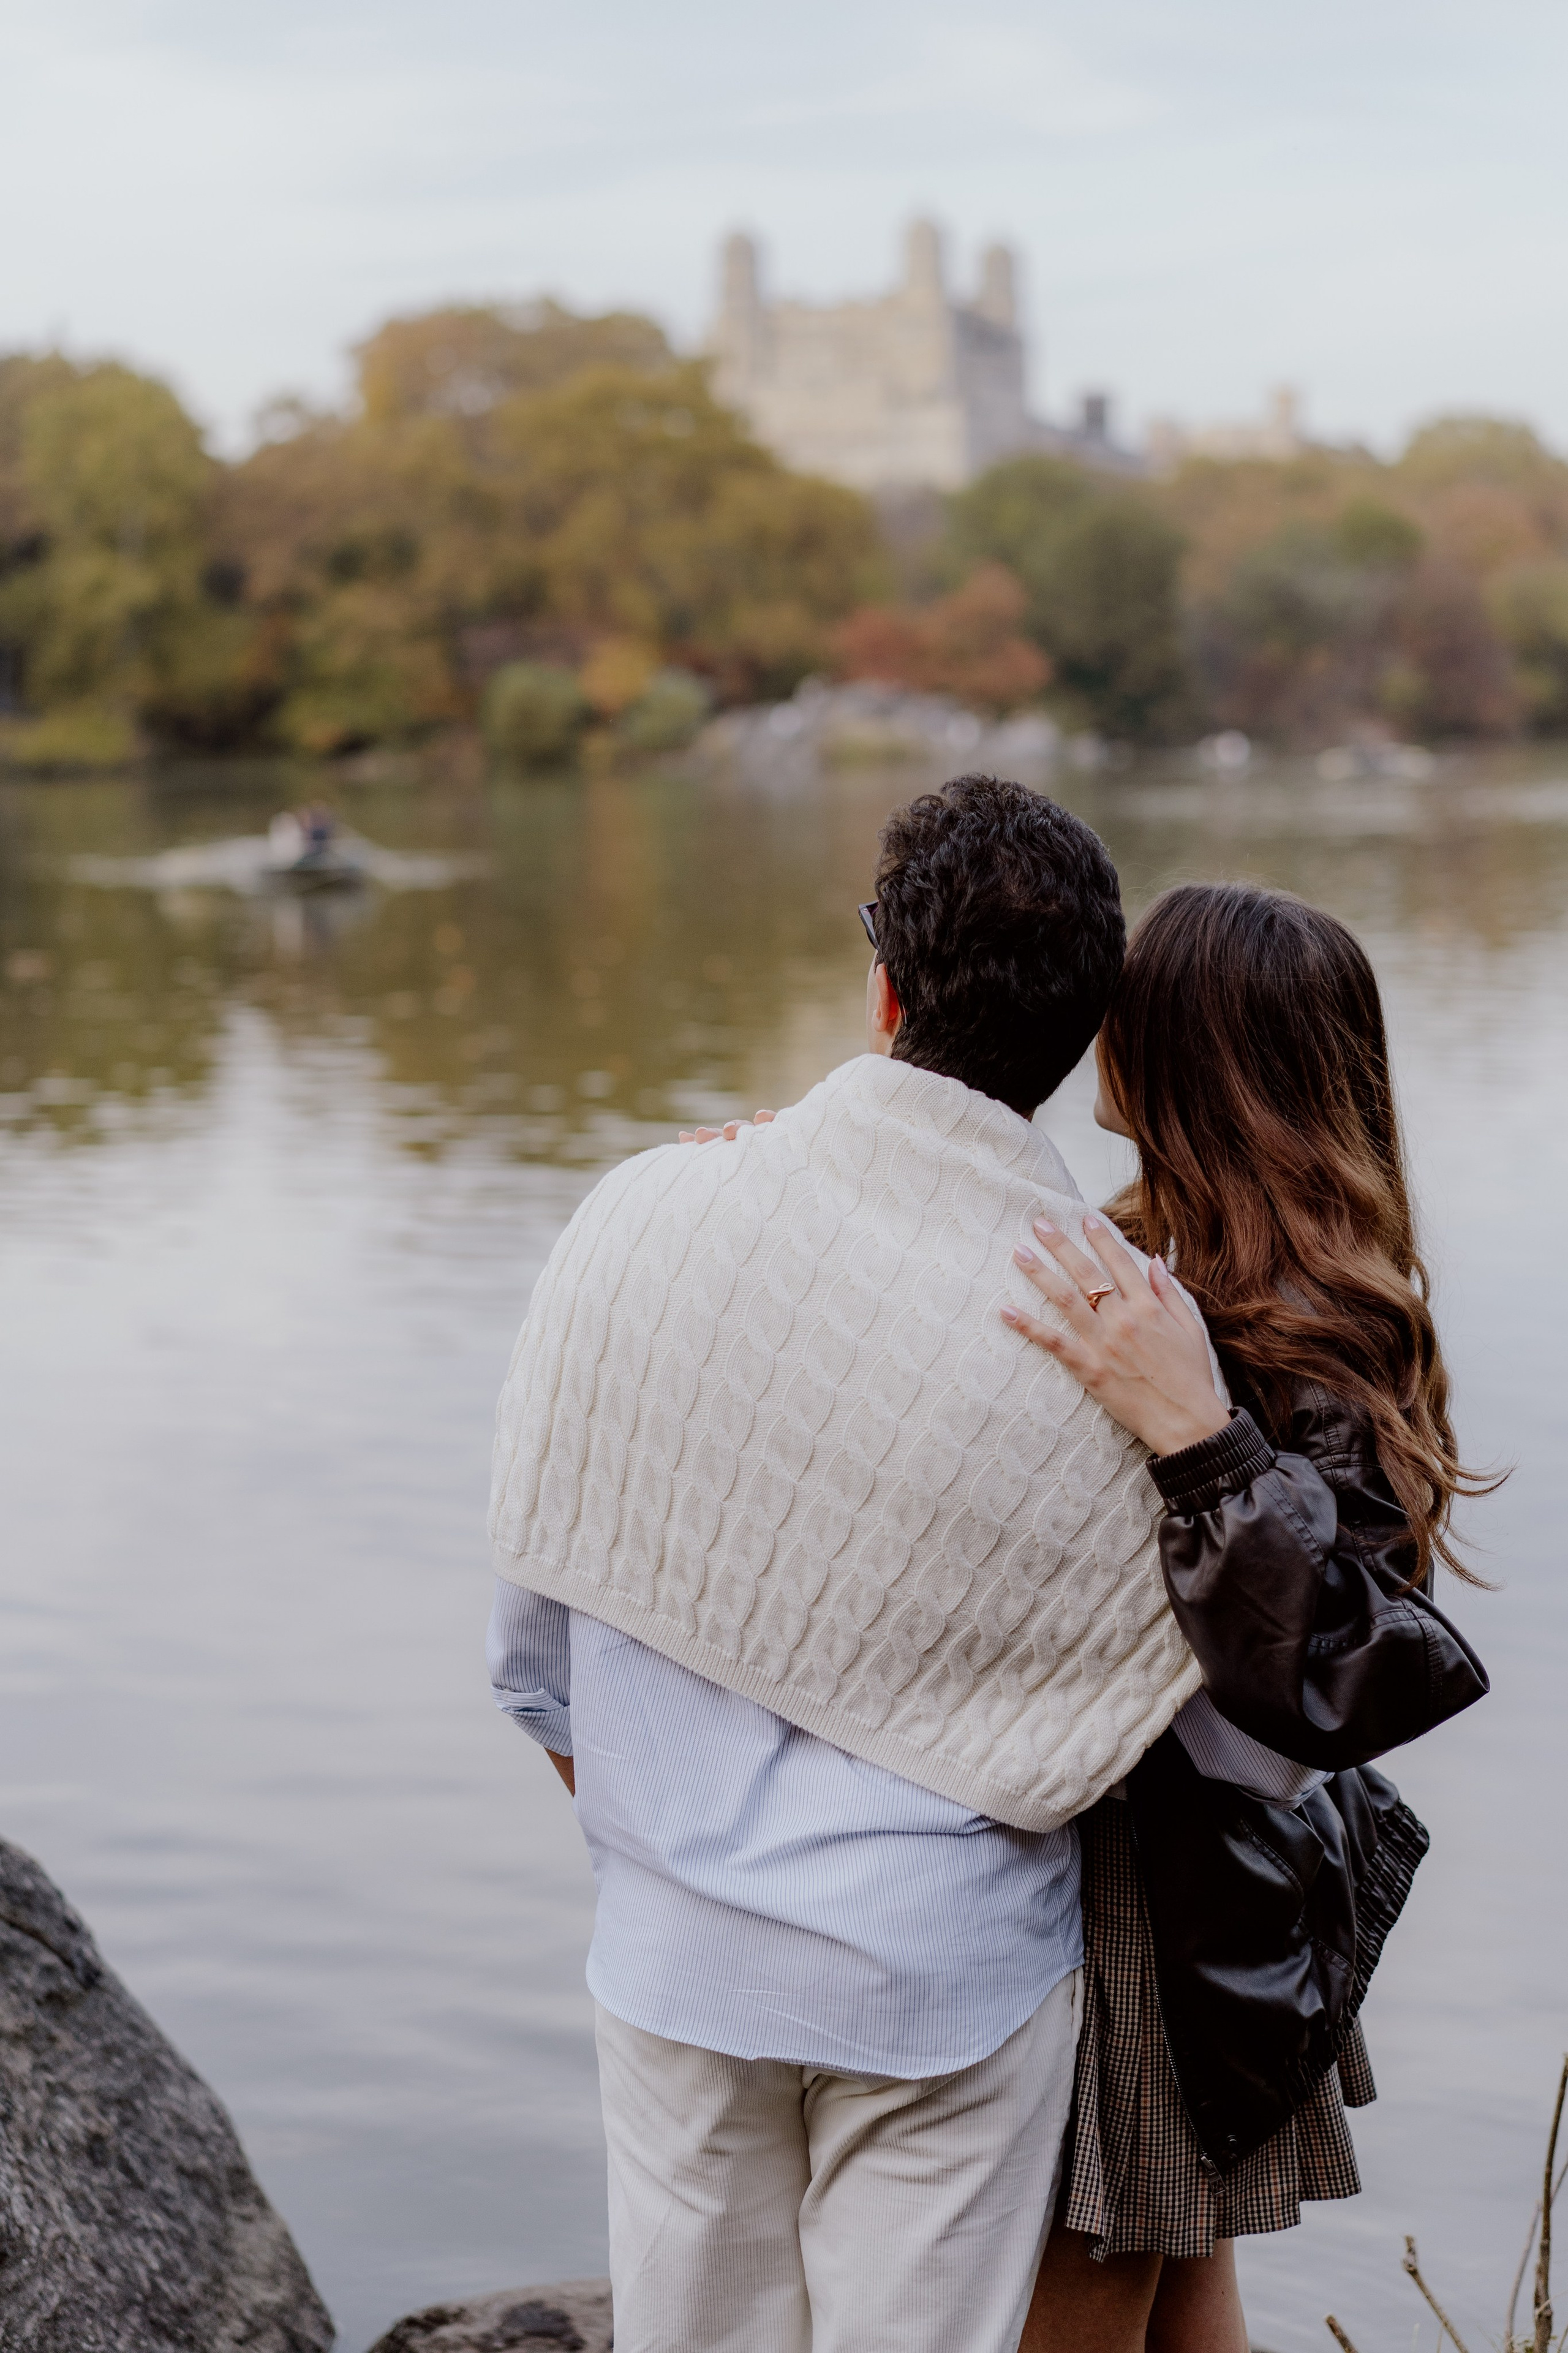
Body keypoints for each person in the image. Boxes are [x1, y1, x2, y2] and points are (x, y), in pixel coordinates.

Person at [485, 777, 1213, 2353]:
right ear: (1086, 1041)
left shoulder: (642, 1214)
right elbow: (1122, 1722)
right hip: (944, 1973)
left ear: (881, 982)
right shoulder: (1131, 1337)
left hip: (679, 1946)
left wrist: (682, 1850)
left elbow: (532, 1666)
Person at [998, 881, 1491, 2353]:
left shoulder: (1298, 1323)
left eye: (1127, 999)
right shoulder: (1159, 1257)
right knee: (1175, 2288)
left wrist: (1197, 1436)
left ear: (1178, 1051)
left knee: (1089, 2301)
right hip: (1199, 1868)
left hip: (1175, 1894)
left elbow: (1335, 1663)